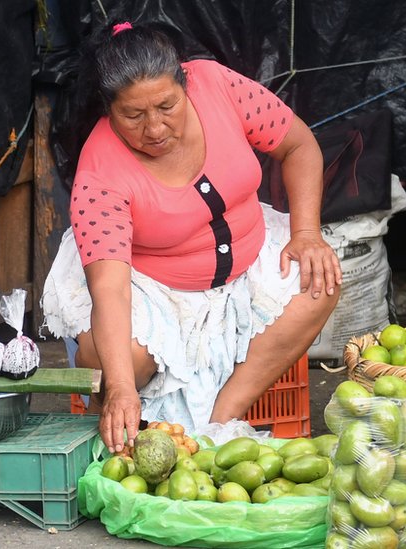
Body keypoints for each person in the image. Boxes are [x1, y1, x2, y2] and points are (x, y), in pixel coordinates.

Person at [41, 22, 341, 453]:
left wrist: (307, 233)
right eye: (134, 115)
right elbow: (110, 290)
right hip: (150, 286)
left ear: (186, 81)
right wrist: (122, 387)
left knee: (319, 279)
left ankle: (222, 420)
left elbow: (300, 145)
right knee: (116, 365)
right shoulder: (99, 174)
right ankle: (116, 397)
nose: (155, 128)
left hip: (249, 260)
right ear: (108, 110)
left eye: (167, 105)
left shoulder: (217, 84)